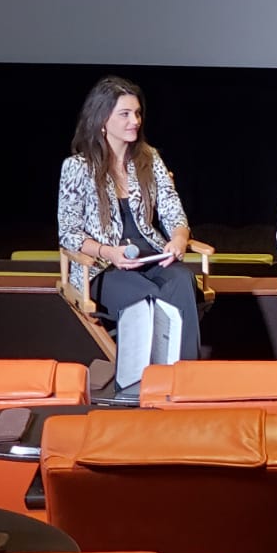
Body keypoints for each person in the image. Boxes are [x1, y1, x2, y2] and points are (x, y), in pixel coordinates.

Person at [57, 75, 201, 359]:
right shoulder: (77, 167)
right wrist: (108, 252)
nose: (134, 121)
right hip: (102, 266)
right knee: (148, 297)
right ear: (102, 120)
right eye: (124, 114)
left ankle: (184, 375)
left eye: (137, 113)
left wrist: (178, 239)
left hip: (151, 256)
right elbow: (69, 232)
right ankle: (145, 378)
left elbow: (173, 210)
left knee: (183, 282)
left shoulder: (149, 158)